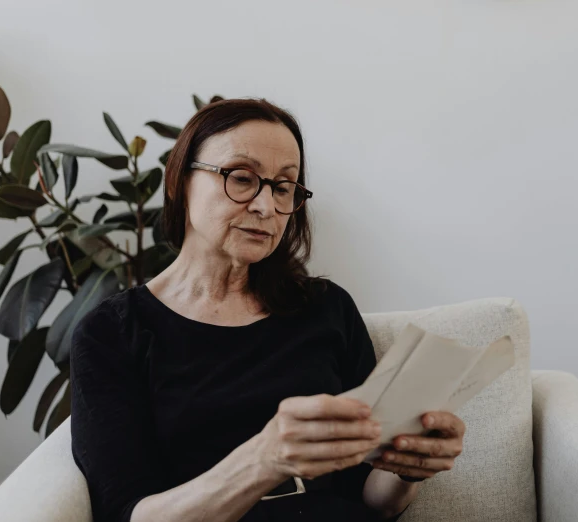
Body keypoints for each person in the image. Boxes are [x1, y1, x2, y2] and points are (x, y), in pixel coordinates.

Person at [70, 98, 466, 522]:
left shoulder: (327, 308)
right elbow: (128, 515)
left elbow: (372, 501)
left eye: (282, 187)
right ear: (179, 181)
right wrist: (264, 460)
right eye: (242, 178)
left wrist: (407, 467)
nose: (265, 207)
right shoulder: (112, 333)